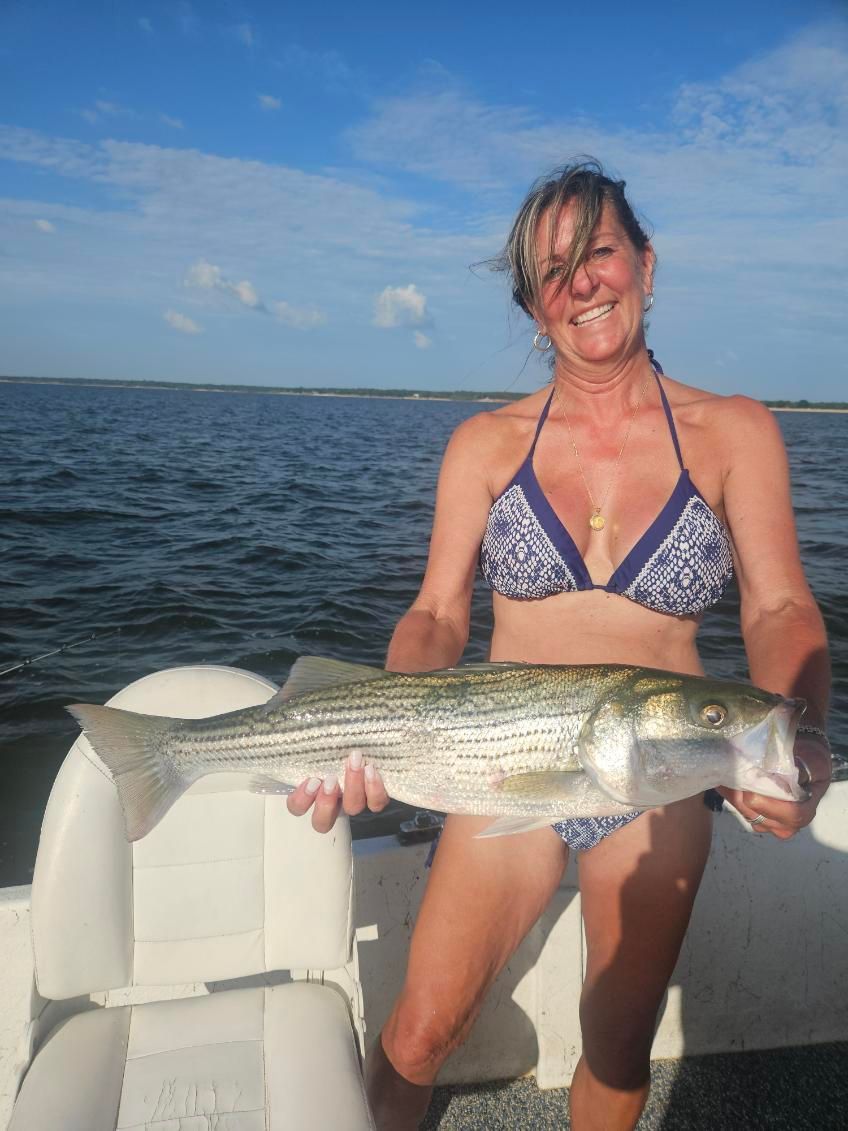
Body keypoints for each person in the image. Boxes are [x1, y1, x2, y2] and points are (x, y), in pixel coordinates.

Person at [287, 158, 832, 1130]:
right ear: (532, 306)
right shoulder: (483, 446)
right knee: (419, 1031)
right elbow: (436, 617)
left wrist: (803, 737)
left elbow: (777, 608)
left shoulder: (734, 432)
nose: (581, 281)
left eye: (600, 252)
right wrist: (383, 731)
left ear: (646, 267)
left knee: (618, 1044)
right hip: (503, 765)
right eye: (552, 270)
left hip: (658, 784)